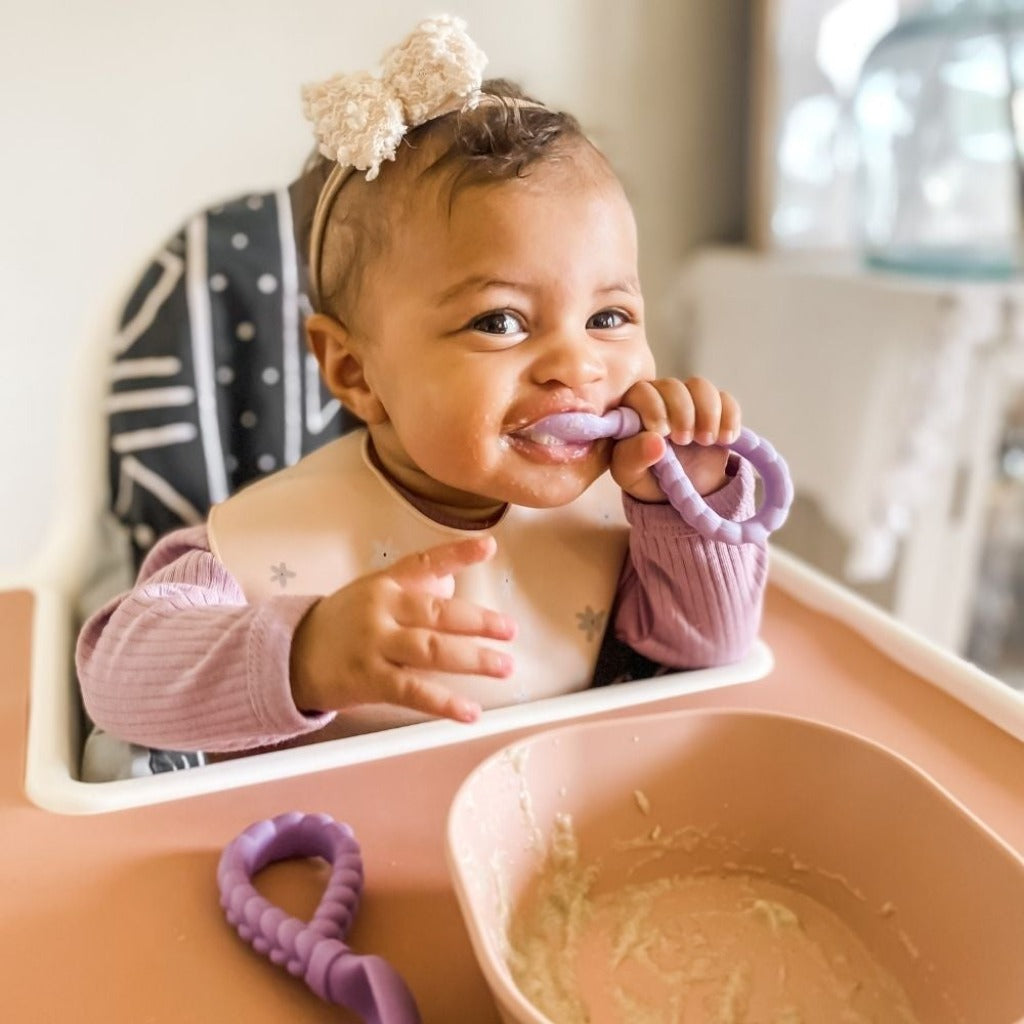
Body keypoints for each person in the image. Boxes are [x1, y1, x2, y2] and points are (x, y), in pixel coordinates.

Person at [76, 15, 768, 766]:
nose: (578, 364)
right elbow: (113, 679)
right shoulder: (272, 542)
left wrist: (689, 509)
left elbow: (709, 656)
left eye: (609, 316)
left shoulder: (623, 521)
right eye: (500, 320)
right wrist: (303, 654)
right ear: (353, 371)